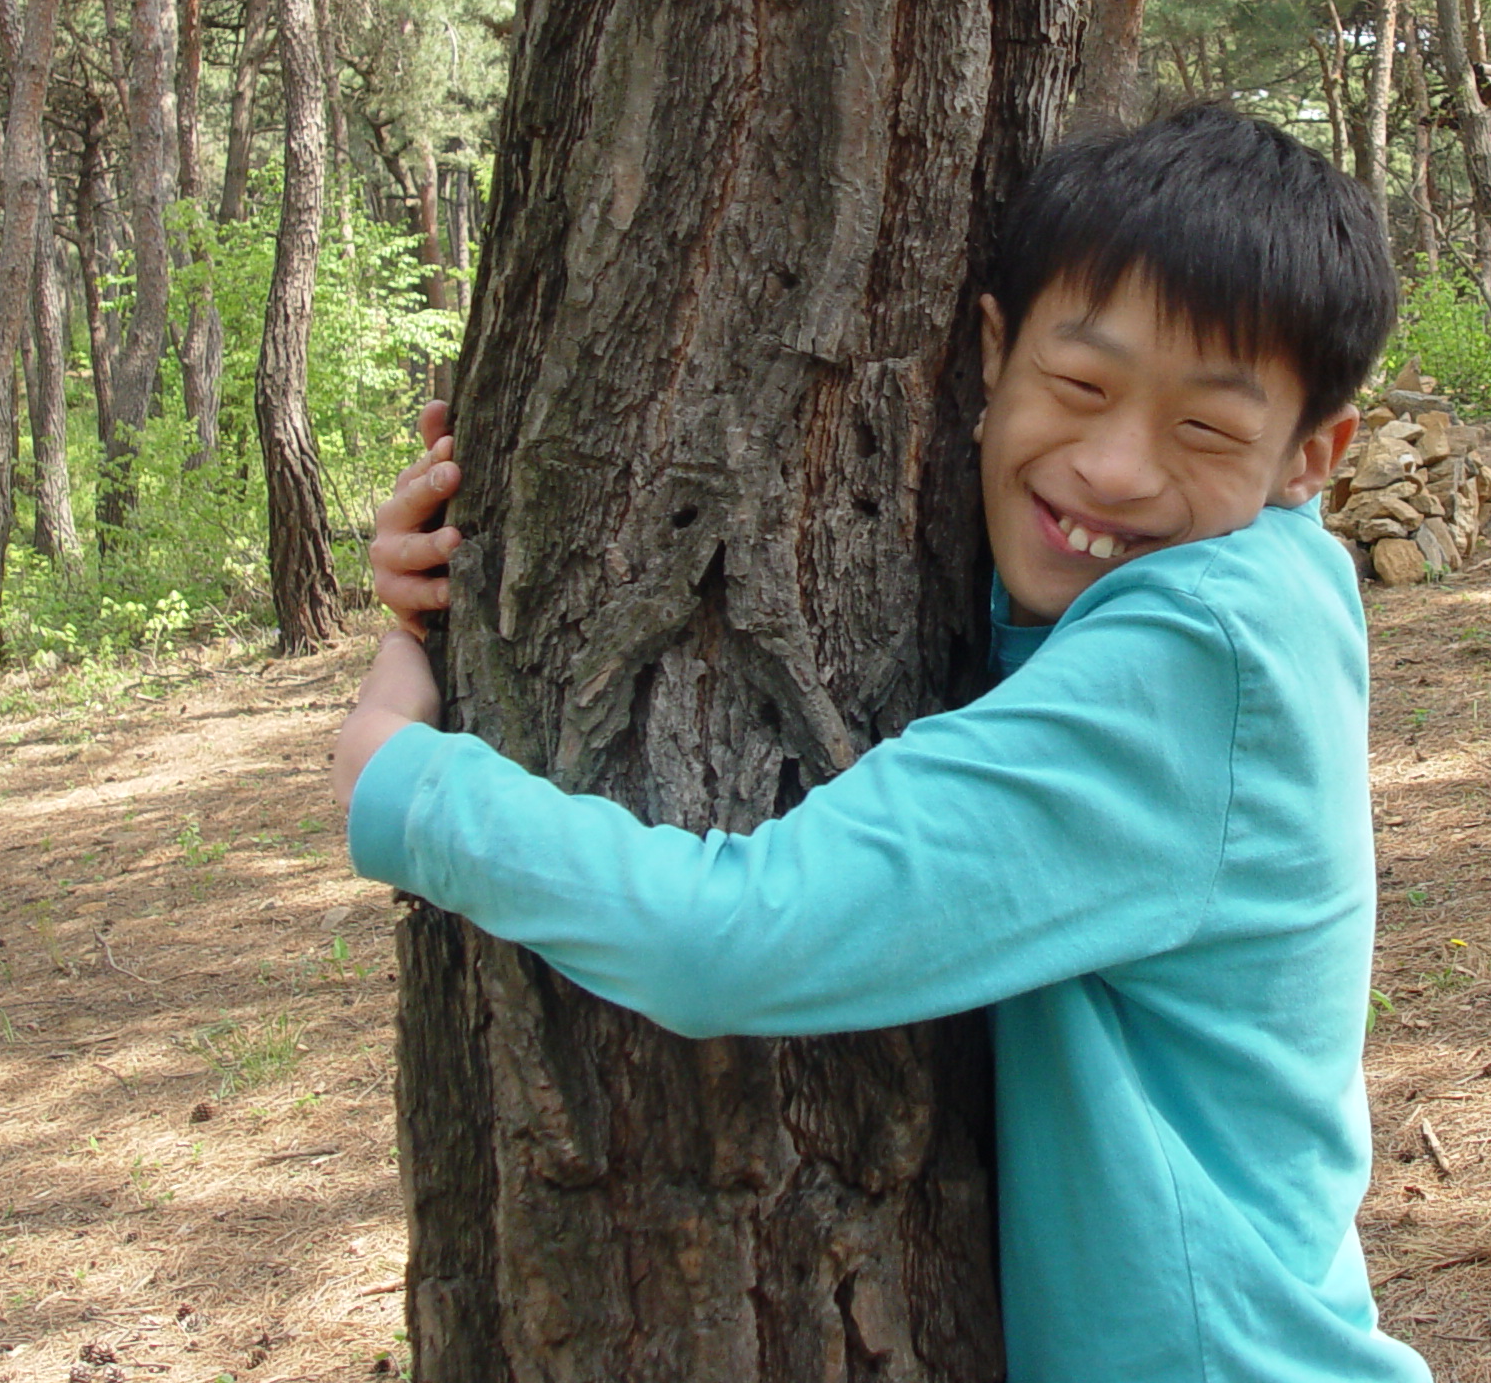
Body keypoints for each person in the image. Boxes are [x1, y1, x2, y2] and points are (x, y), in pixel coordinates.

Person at [340, 104, 1430, 1383]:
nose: (1118, 468)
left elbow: (727, 943)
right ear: (989, 354)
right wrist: (457, 572)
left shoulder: (1198, 659)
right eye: (1079, 386)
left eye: (1204, 429)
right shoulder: (1268, 585)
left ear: (1311, 455)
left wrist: (403, 785)